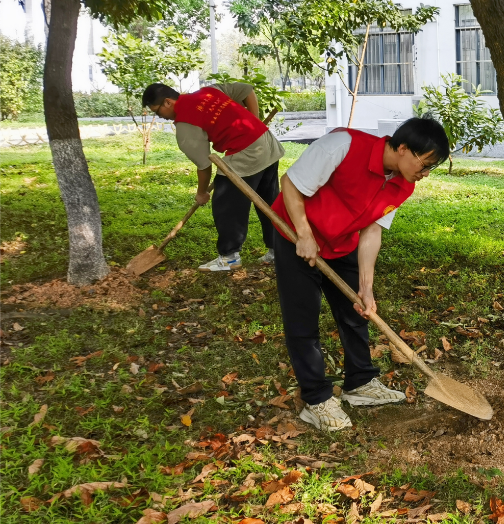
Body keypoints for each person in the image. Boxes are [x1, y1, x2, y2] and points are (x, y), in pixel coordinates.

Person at [272, 118, 450, 431]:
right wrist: (304, 234)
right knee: (303, 320)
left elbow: (371, 231)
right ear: (403, 148)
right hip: (296, 236)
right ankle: (316, 399)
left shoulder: (403, 184)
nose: (425, 174)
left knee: (355, 313)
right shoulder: (343, 146)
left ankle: (360, 382)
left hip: (341, 242)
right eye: (425, 164)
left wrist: (366, 287)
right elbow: (290, 184)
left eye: (430, 168)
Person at [143, 82, 284, 271]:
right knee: (268, 201)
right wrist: (254, 121)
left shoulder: (185, 125)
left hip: (247, 153)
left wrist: (201, 193)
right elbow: (247, 90)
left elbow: (204, 166)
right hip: (266, 142)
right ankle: (278, 251)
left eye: (157, 111)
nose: (160, 116)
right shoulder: (208, 91)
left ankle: (229, 258)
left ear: (168, 102)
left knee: (226, 202)